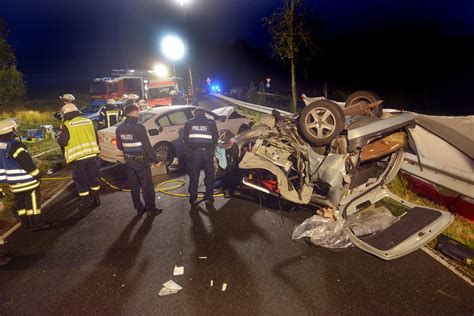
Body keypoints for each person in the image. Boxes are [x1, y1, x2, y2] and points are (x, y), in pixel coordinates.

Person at [0, 119, 49, 230]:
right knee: (33, 202)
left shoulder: (1, 146)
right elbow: (27, 163)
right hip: (27, 181)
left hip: (13, 183)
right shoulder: (15, 145)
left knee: (20, 202)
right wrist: (38, 175)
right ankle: (36, 223)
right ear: (12, 129)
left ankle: (25, 223)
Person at [115, 104, 162, 217]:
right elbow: (147, 146)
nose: (138, 114)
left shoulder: (119, 128)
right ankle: (151, 209)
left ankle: (139, 209)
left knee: (134, 186)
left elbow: (120, 146)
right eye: (137, 112)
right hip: (141, 161)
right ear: (133, 113)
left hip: (129, 161)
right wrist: (155, 161)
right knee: (147, 186)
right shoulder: (139, 127)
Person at [57, 103, 101, 209]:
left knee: (81, 181)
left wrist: (58, 137)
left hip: (78, 159)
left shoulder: (67, 124)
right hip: (92, 156)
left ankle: (86, 202)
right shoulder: (88, 121)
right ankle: (96, 199)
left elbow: (63, 142)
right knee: (93, 178)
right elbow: (96, 138)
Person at [183, 108, 218, 206]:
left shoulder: (189, 123)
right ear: (204, 114)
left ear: (195, 114)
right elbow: (215, 138)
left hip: (195, 154)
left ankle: (193, 198)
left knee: (194, 176)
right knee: (209, 176)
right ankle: (209, 198)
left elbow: (185, 139)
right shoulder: (211, 123)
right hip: (208, 153)